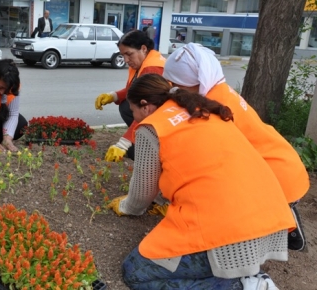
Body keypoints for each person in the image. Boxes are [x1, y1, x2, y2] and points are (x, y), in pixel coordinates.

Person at [107, 73, 294, 290]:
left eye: (133, 112)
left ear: (145, 106)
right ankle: (252, 278)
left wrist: (125, 206)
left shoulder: (153, 128)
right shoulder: (204, 111)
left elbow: (141, 196)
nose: (135, 118)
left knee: (136, 272)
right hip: (270, 219)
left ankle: (240, 286)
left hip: (230, 232)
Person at [163, 42, 309, 251]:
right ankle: (288, 227)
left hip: (276, 175)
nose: (173, 88)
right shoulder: (219, 89)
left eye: (177, 84)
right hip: (280, 161)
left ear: (195, 82)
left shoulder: (211, 104)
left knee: (253, 219)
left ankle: (288, 228)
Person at [94, 30, 166, 162]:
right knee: (127, 105)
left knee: (130, 108)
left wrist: (123, 143)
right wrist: (113, 96)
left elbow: (147, 109)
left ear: (143, 49)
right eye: (123, 55)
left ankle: (150, 145)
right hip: (156, 111)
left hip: (163, 116)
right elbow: (131, 91)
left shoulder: (152, 69)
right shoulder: (142, 63)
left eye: (129, 54)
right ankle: (141, 139)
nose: (126, 60)